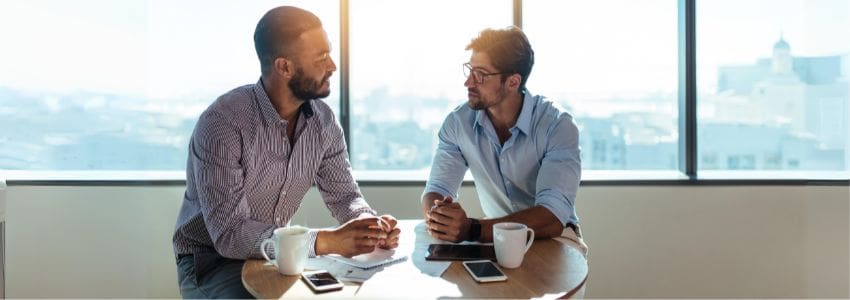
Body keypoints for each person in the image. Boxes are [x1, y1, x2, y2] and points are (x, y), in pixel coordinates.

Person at [172, 6, 400, 298]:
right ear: (284, 67)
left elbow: (345, 196)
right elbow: (229, 235)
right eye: (321, 59)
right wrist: (327, 241)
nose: (332, 65)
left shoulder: (324, 122)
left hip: (280, 254)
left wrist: (370, 225)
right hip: (211, 262)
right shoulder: (223, 123)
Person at [421, 26, 586, 251]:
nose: (468, 82)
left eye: (481, 74)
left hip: (553, 238)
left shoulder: (557, 125)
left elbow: (551, 216)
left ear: (513, 82)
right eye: (469, 70)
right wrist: (440, 217)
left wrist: (473, 229)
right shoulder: (458, 123)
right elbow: (437, 188)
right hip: (494, 238)